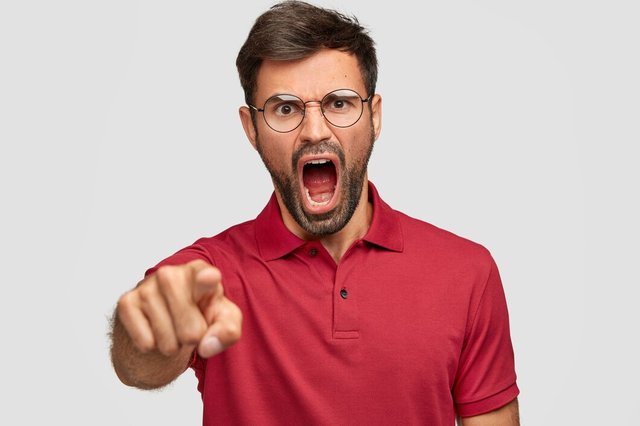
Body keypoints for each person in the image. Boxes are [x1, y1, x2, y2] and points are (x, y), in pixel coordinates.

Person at [110, 1, 520, 424]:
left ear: (374, 116)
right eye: (284, 109)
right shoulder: (211, 273)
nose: (315, 131)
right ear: (251, 129)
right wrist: (152, 333)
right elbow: (137, 364)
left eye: (339, 103)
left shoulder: (466, 271)